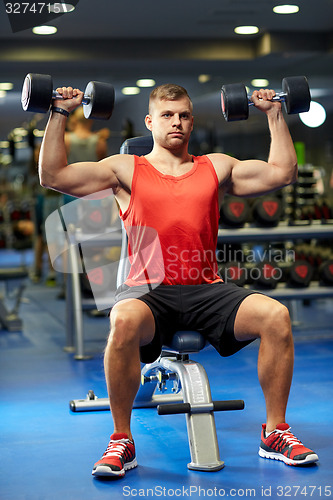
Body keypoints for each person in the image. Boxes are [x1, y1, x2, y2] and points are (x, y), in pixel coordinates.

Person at [38, 83, 319, 479]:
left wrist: (275, 113)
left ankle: (275, 431)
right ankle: (121, 438)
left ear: (192, 121)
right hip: (149, 291)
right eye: (168, 115)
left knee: (275, 315)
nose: (177, 122)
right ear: (151, 122)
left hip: (207, 288)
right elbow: (53, 176)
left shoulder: (216, 166)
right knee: (122, 320)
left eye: (184, 115)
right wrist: (60, 113)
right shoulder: (125, 169)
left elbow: (283, 173)